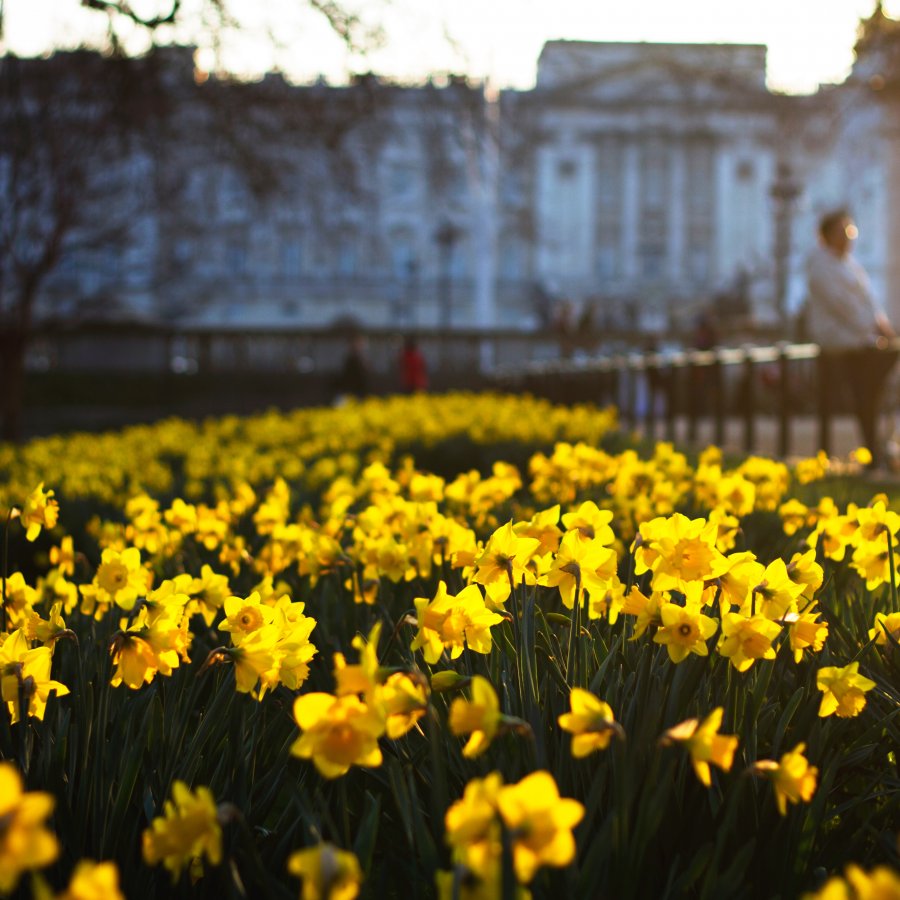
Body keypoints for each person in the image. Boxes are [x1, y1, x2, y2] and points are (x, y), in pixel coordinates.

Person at [805, 209, 897, 466]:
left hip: (861, 338)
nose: (849, 237)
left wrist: (882, 324)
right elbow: (843, 306)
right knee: (869, 391)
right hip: (842, 341)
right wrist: (874, 328)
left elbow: (869, 302)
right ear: (828, 235)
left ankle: (876, 442)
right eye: (844, 231)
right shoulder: (821, 265)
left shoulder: (848, 263)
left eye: (851, 231)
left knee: (873, 389)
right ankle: (873, 444)